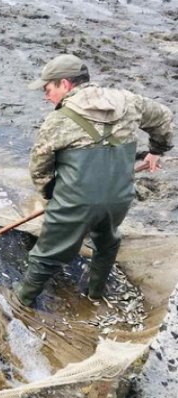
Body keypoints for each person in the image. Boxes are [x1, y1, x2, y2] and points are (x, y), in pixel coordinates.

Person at [16, 54, 174, 306]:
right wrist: (157, 150)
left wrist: (51, 195)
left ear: (65, 84)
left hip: (75, 203)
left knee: (46, 255)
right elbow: (163, 117)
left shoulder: (57, 121)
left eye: (48, 89)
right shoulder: (129, 101)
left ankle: (22, 301)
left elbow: (40, 168)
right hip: (119, 197)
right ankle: (95, 294)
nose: (46, 96)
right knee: (107, 243)